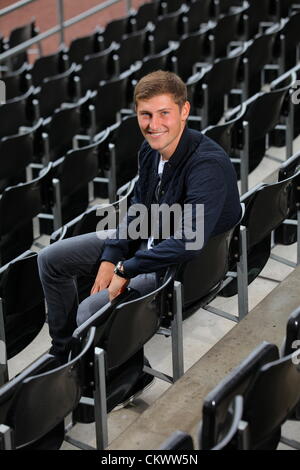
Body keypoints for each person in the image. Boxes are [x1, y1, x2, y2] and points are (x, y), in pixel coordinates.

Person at [38, 70, 241, 407]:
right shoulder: (150, 151)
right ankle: (67, 356)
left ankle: (127, 378)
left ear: (184, 111)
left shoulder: (207, 164)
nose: (153, 124)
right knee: (51, 259)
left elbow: (189, 240)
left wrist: (124, 269)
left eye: (164, 113)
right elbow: (138, 209)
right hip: (149, 239)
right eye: (145, 115)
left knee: (90, 308)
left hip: (180, 267)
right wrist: (110, 255)